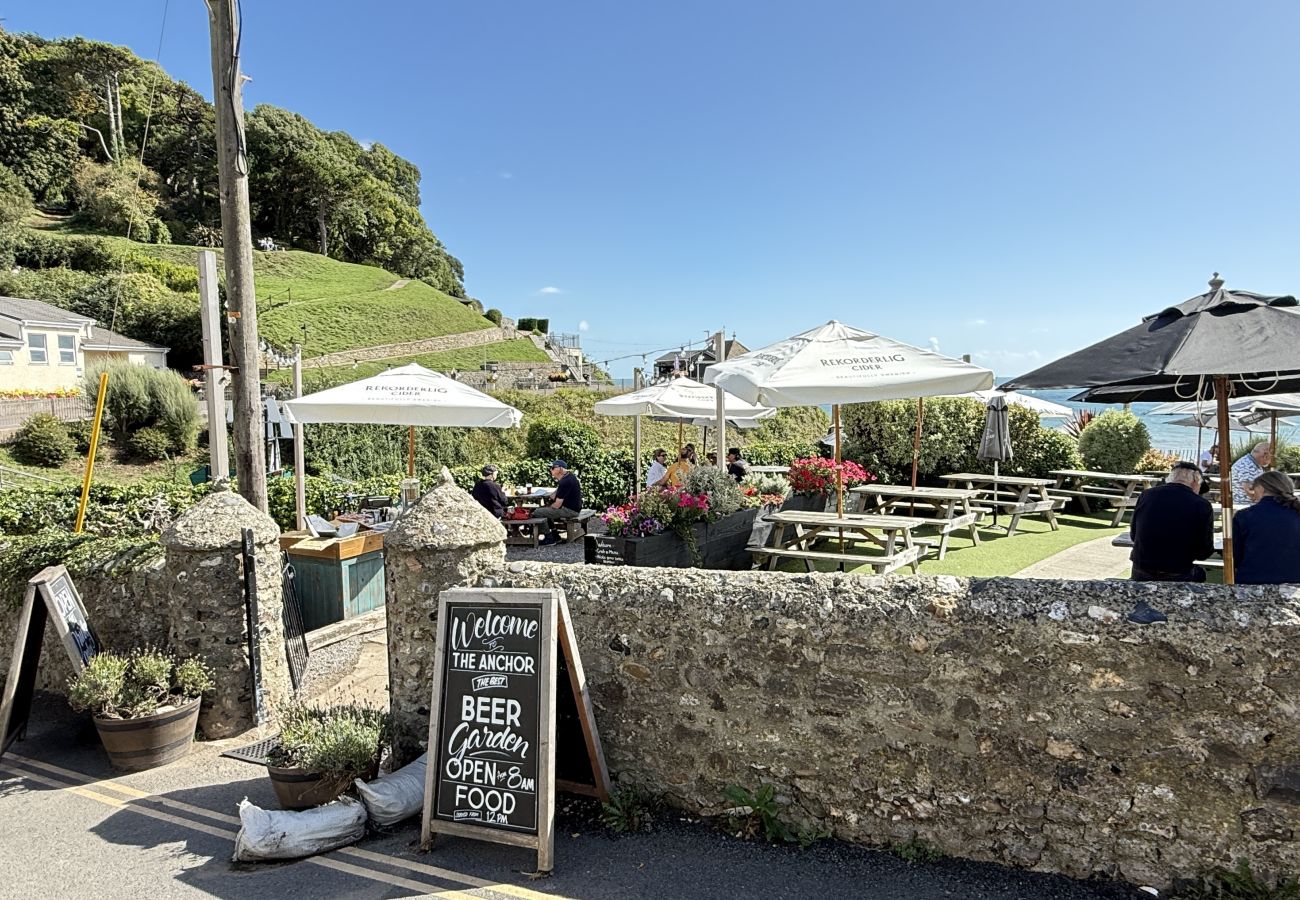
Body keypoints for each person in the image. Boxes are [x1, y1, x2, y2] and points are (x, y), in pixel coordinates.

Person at [1129, 461, 1215, 582]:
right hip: (1178, 571)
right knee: (1201, 574)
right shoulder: (1202, 505)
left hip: (1141, 569)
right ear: (1196, 481)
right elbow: (1204, 551)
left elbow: (1134, 535)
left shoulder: (1146, 495)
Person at [1233, 470, 1300, 584]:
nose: (1252, 495)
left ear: (1261, 488)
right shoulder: (1296, 513)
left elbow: (1235, 555)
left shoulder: (1245, 516)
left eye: (1254, 490)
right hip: (1294, 583)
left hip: (1252, 582)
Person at [537, 459, 582, 544]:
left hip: (570, 511)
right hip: (573, 508)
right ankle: (555, 536)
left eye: (553, 468)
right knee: (546, 511)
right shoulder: (569, 476)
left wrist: (547, 508)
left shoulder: (565, 482)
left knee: (538, 512)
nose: (551, 470)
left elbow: (557, 505)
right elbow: (554, 495)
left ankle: (549, 538)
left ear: (560, 469)